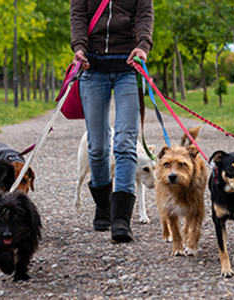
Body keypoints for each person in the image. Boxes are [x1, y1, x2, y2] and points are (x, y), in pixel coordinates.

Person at [70, 0, 153, 242]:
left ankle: (121, 219)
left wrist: (143, 46)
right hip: (93, 68)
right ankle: (103, 205)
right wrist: (79, 47)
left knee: (126, 143)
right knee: (97, 147)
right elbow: (78, 16)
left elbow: (144, 16)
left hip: (127, 68)